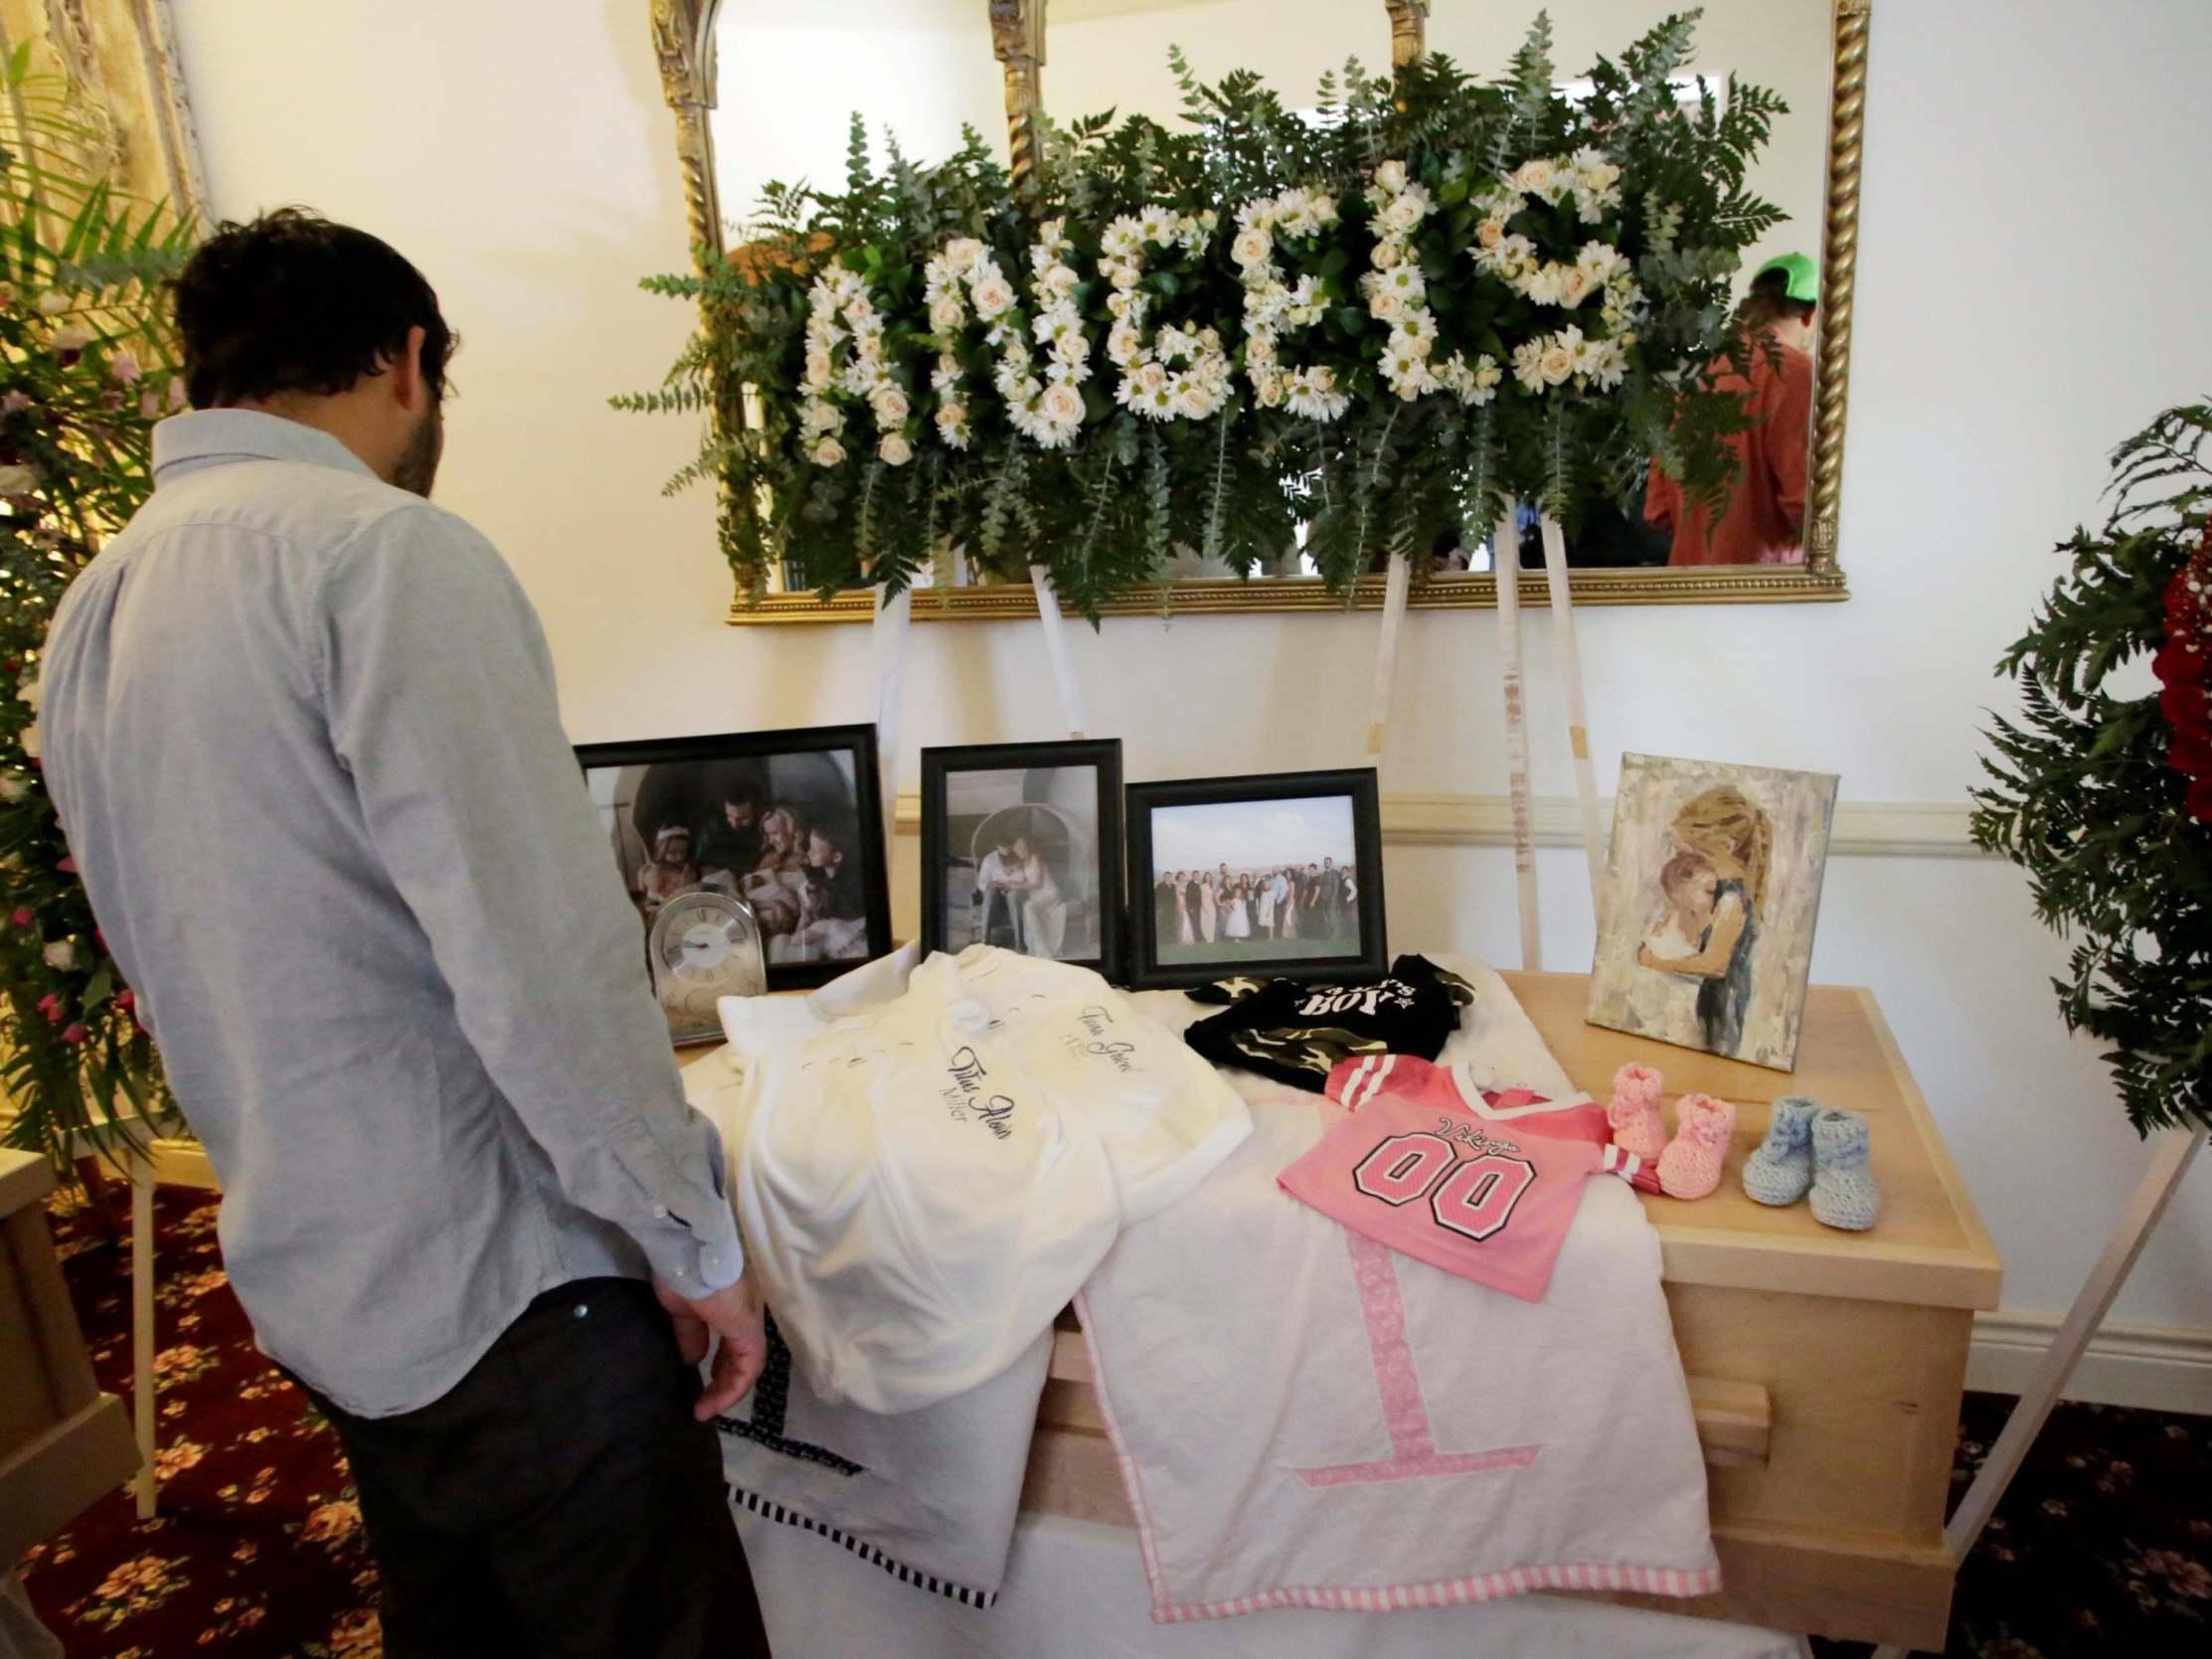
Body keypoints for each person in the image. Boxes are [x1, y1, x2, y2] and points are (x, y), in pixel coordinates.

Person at [34, 211, 770, 1656]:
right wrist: (691, 1240)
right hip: (508, 1280)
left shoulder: (98, 599)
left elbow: (157, 942)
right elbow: (541, 956)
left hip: (315, 1263)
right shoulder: (384, 553)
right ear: (409, 360)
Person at [1644, 252, 1816, 568]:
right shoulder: (1797, 374)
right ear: (1810, 315)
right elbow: (1807, 504)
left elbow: (1658, 511)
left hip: (1683, 593)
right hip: (1761, 597)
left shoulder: (1697, 374)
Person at [1637, 787, 1771, 1054]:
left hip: (1725, 1006)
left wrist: (1656, 961)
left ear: (1725, 846)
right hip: (1714, 1001)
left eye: (1690, 844)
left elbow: (1715, 964)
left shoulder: (1732, 899)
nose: (1680, 851)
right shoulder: (1719, 893)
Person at [634, 824, 710, 915]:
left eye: (683, 852)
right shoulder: (646, 871)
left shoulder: (690, 871)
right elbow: (643, 904)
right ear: (662, 849)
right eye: (673, 852)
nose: (679, 857)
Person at [1011, 834, 1067, 958]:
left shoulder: (1035, 858)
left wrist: (1017, 886)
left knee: (1028, 907)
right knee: (1029, 907)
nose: (1018, 854)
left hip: (1049, 893)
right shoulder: (1022, 862)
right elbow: (1028, 880)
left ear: (1026, 848)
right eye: (1016, 852)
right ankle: (1038, 946)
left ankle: (1044, 949)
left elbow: (1037, 883)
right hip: (1037, 896)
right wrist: (1014, 883)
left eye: (1019, 850)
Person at [696, 781, 766, 873]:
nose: (734, 824)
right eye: (729, 816)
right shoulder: (714, 827)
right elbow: (702, 858)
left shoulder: (766, 822)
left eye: (743, 818)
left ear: (756, 812)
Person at [974, 832, 1025, 950]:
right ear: (997, 846)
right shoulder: (990, 859)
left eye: (1008, 846)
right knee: (990, 890)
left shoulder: (1020, 856)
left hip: (1015, 890)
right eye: (1002, 846)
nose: (1006, 849)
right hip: (997, 896)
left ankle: (1019, 941)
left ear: (1012, 845)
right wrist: (992, 884)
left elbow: (1026, 877)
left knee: (1014, 895)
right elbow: (982, 882)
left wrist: (1013, 884)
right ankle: (985, 939)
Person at [1223, 875, 1252, 941]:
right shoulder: (1234, 900)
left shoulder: (1243, 900)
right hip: (1235, 915)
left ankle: (1240, 937)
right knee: (1235, 926)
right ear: (1234, 894)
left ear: (1241, 894)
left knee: (1241, 926)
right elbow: (1227, 905)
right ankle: (1236, 938)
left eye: (1239, 893)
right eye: (1236, 893)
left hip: (1242, 916)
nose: (1238, 894)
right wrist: (1230, 909)